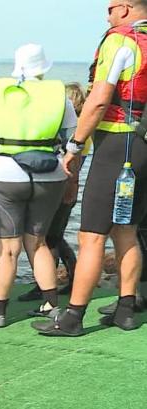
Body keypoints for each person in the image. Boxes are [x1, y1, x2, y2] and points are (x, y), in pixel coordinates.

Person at [35, 4, 147, 335]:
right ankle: (126, 308)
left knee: (91, 235)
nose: (107, 16)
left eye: (110, 8)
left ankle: (73, 316)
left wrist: (75, 146)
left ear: (125, 8)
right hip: (143, 147)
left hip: (116, 147)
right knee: (126, 228)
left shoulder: (120, 40)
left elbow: (99, 99)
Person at [0, 44, 74, 328]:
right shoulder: (60, 96)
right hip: (49, 175)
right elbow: (77, 142)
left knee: (8, 248)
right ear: (44, 67)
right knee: (37, 244)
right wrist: (71, 176)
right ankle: (50, 305)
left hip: (5, 174)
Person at [20, 82, 91, 301]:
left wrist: (71, 188)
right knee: (54, 237)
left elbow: (75, 165)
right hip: (62, 186)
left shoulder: (77, 133)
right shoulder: (78, 131)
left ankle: (46, 286)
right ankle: (71, 275)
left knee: (49, 237)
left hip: (62, 187)